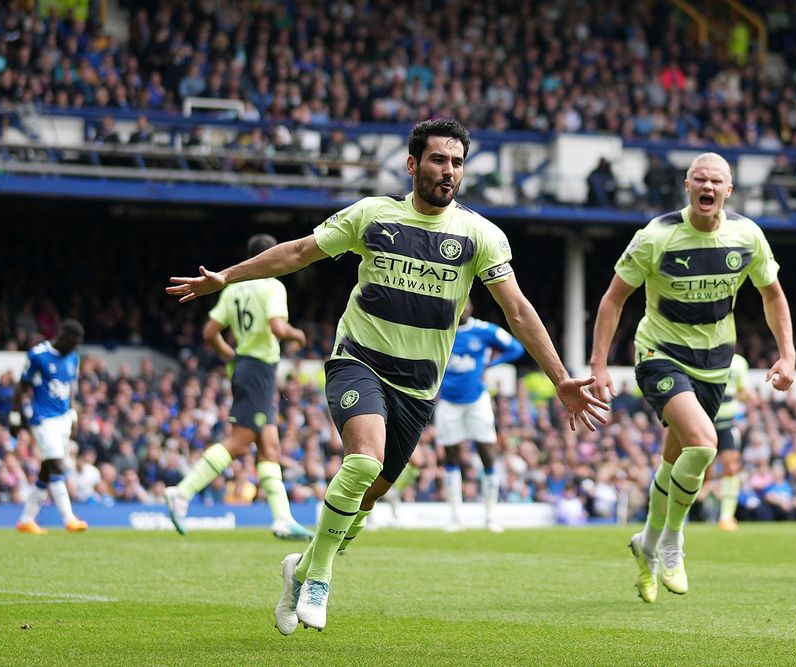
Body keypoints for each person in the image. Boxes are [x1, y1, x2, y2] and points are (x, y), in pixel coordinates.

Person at [167, 118, 607, 634]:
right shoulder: (374, 216)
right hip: (360, 361)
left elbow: (517, 310)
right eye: (439, 159)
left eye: (457, 162)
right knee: (362, 462)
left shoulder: (479, 235)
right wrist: (227, 276)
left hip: (418, 389)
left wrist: (559, 378)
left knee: (368, 499)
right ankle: (320, 580)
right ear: (413, 163)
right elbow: (299, 252)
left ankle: (300, 568)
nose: (448, 171)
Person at [589, 152, 796, 603]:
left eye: (716, 180)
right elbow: (612, 300)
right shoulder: (656, 236)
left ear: (728, 189)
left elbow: (773, 295)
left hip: (715, 364)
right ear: (687, 185)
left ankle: (644, 544)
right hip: (659, 354)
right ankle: (671, 543)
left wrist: (788, 354)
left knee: (673, 462)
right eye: (700, 178)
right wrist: (599, 365)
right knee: (704, 444)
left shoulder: (747, 235)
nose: (707, 186)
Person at [163, 234, 313, 540]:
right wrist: (297, 335)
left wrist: (231, 356)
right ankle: (182, 492)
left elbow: (209, 332)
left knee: (269, 446)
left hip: (247, 367)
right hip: (259, 368)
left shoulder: (234, 289)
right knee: (241, 442)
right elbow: (277, 327)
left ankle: (283, 519)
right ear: (272, 254)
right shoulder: (272, 285)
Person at [436, 302, 524, 532]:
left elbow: (516, 348)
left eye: (466, 303)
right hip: (448, 402)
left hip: (477, 400)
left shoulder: (486, 331)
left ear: (472, 307)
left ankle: (490, 517)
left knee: (487, 453)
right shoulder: (440, 331)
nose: (463, 308)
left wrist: (491, 363)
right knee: (451, 457)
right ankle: (455, 517)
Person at [13, 319, 88, 534]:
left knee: (47, 470)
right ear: (62, 336)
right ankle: (69, 518)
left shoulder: (73, 358)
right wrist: (15, 417)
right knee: (56, 465)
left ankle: (26, 519)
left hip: (63, 418)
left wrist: (73, 416)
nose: (74, 348)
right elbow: (22, 386)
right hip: (43, 419)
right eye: (72, 343)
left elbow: (70, 389)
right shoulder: (38, 355)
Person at [715, 353, 751, 531]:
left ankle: (726, 517)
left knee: (731, 467)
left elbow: (742, 390)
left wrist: (748, 398)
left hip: (727, 422)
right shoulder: (704, 353)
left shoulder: (739, 362)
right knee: (693, 465)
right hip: (703, 419)